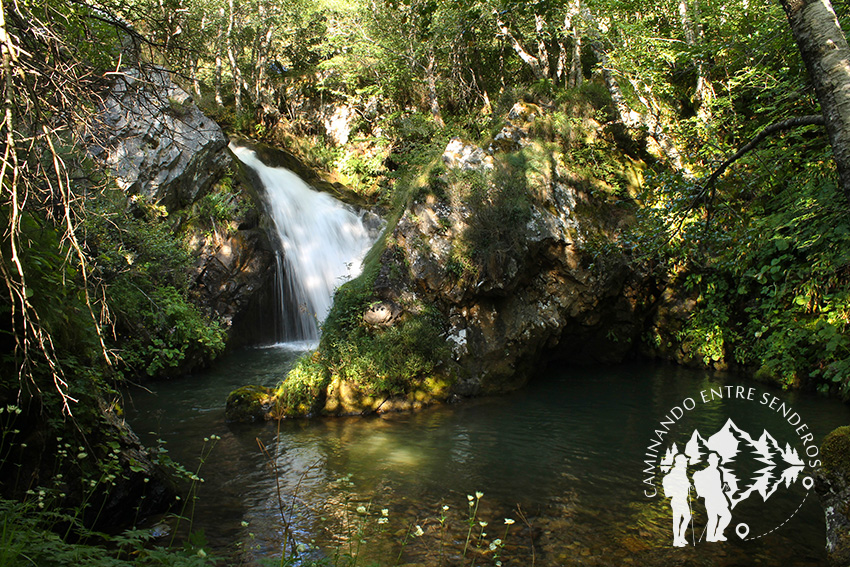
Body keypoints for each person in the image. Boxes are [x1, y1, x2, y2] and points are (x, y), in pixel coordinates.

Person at [693, 452, 732, 542]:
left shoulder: (717, 471)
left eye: (716, 460)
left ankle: (715, 535)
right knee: (719, 517)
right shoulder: (710, 472)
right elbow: (713, 488)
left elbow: (716, 487)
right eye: (714, 460)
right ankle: (714, 535)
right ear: (710, 461)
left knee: (720, 517)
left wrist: (723, 487)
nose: (716, 461)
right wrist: (723, 488)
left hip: (715, 498)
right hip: (713, 498)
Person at [662, 453, 692, 547]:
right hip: (678, 500)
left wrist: (689, 485)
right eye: (685, 461)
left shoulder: (682, 471)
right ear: (681, 462)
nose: (686, 463)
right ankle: (676, 540)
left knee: (687, 517)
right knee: (678, 520)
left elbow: (684, 483)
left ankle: (681, 537)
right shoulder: (676, 472)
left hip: (682, 499)